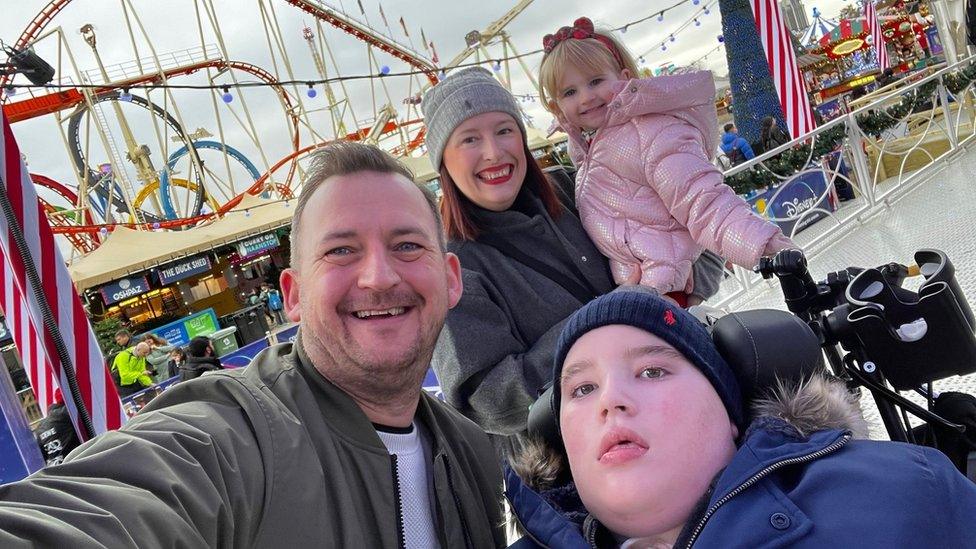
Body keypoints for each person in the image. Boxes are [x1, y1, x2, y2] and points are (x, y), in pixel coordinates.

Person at [0, 142, 506, 548]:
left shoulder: (474, 450)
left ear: (451, 279)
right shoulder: (233, 440)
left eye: (408, 245)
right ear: (294, 295)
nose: (378, 276)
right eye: (341, 251)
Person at [506, 290, 976, 547]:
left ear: (730, 414)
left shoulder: (906, 492)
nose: (612, 400)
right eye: (582, 388)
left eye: (652, 370)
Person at [422, 66, 726, 458]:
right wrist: (608, 318)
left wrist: (672, 288)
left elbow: (702, 246)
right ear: (443, 162)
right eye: (469, 139)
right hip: (585, 464)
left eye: (504, 130)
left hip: (679, 408)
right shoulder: (452, 268)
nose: (493, 152)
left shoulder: (577, 185)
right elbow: (491, 403)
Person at [537, 17, 793, 306]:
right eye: (570, 92)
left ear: (623, 78)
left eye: (595, 81)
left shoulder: (651, 132)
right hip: (643, 284)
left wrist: (762, 243)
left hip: (664, 286)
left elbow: (702, 198)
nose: (585, 97)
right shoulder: (593, 146)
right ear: (557, 105)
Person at [32, 389, 81, 467]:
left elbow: (41, 456)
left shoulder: (40, 428)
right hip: (75, 466)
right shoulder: (71, 414)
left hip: (57, 471)